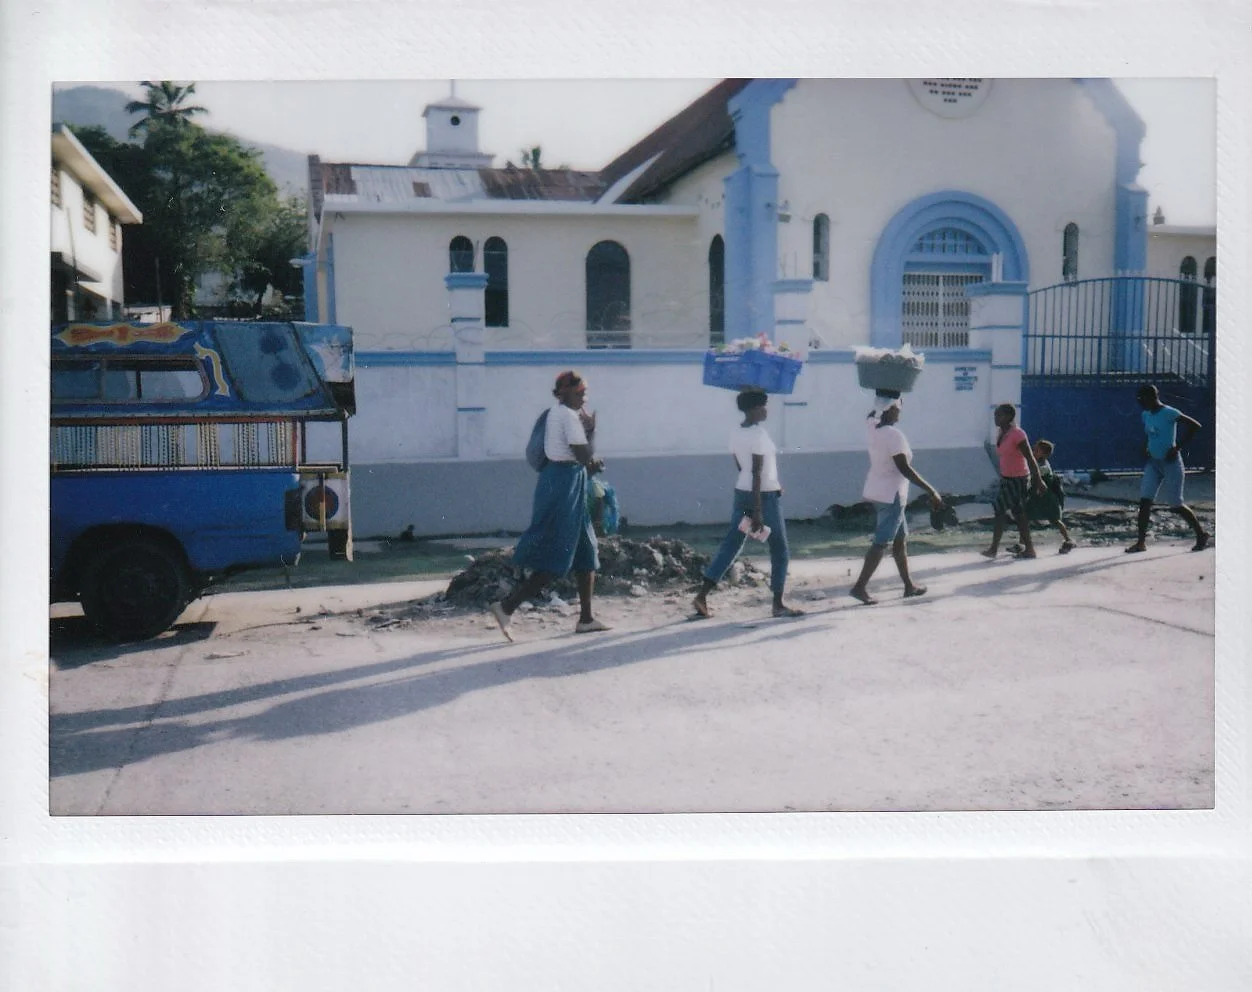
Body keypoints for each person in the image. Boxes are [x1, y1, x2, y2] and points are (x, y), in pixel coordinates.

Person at [489, 370, 610, 641]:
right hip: (562, 485)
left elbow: (580, 460)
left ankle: (586, 619)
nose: (584, 397)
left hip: (568, 481)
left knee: (586, 550)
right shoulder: (567, 416)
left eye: (585, 392)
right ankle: (506, 606)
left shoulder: (560, 414)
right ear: (564, 393)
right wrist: (592, 432)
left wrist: (588, 445)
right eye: (580, 393)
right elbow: (583, 457)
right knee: (557, 556)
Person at [692, 389, 804, 620]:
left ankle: (702, 595)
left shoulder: (736, 432)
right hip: (762, 497)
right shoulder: (759, 435)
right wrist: (759, 510)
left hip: (742, 492)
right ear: (754, 409)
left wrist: (770, 485)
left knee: (731, 545)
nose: (766, 409)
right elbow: (756, 472)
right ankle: (778, 603)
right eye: (763, 405)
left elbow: (741, 466)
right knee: (780, 550)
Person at [848, 395, 944, 605]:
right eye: (898, 407)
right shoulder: (894, 436)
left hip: (877, 491)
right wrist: (931, 490)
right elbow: (905, 469)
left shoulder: (873, 428)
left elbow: (870, 414)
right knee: (882, 542)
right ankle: (859, 587)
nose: (900, 411)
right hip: (892, 495)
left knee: (900, 540)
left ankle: (909, 585)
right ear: (890, 410)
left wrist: (885, 394)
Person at [1125, 384, 1210, 553]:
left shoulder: (1170, 413)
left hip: (1171, 463)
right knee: (1145, 501)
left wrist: (1177, 447)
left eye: (1142, 399)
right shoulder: (1146, 414)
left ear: (1152, 397)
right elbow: (1151, 434)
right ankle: (1141, 543)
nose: (1140, 403)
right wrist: (1146, 447)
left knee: (1176, 504)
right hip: (1153, 463)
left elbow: (1195, 425)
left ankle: (1201, 534)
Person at [980, 403, 1047, 560]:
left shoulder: (1018, 434)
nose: (996, 418)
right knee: (1012, 512)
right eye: (995, 415)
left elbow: (1030, 458)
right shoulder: (1001, 433)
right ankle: (1020, 549)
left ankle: (1000, 549)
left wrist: (1038, 480)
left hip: (1018, 479)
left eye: (999, 415)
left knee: (1007, 511)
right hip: (1007, 478)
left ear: (1009, 417)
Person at [1026, 439, 1076, 554]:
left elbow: (1035, 474)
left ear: (1044, 454)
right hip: (1037, 497)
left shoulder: (1043, 467)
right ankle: (1022, 543)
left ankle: (1068, 539)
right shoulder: (1037, 463)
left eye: (1037, 450)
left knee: (1054, 519)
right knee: (1025, 517)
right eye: (1034, 449)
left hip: (1047, 498)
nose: (1034, 451)